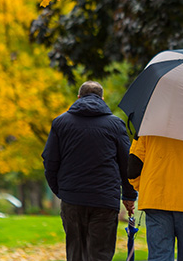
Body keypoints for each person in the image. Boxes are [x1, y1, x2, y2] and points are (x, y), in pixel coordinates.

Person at [42, 81, 137, 261]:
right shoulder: (115, 125)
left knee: (75, 253)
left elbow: (50, 161)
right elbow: (127, 163)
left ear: (78, 98)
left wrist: (60, 190)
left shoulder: (60, 123)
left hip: (72, 198)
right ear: (102, 99)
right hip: (104, 199)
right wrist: (129, 196)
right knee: (100, 253)